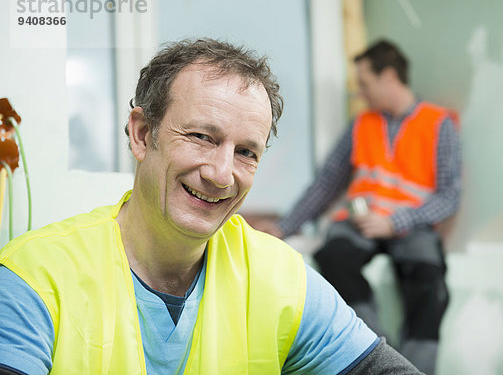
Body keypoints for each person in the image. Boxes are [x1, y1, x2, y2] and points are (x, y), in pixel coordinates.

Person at [0, 39, 423, 375]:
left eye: (246, 152)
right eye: (202, 137)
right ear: (143, 135)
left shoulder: (281, 279)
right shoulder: (34, 278)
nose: (222, 175)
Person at [256, 40, 461, 375]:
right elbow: (326, 184)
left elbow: (450, 195)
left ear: (390, 77)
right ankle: (380, 358)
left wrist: (396, 222)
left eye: (364, 84)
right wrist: (283, 227)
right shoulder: (361, 124)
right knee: (333, 256)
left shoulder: (440, 124)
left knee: (429, 283)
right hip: (359, 224)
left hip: (410, 227)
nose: (360, 93)